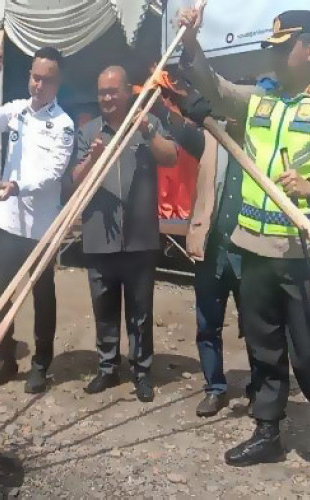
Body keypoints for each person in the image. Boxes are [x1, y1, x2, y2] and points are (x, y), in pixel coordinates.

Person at [179, 7, 310, 466]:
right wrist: (191, 46)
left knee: (307, 356)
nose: (274, 57)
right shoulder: (259, 100)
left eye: (284, 48)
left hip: (301, 255)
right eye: (271, 48)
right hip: (253, 249)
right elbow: (215, 89)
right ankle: (268, 432)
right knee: (264, 348)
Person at [69, 66, 178, 403]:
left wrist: (147, 131)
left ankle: (142, 372)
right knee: (103, 305)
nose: (107, 98)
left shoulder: (146, 124)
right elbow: (75, 179)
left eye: (113, 91)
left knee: (140, 309)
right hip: (99, 234)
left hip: (139, 236)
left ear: (128, 92)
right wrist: (93, 159)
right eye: (102, 91)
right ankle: (107, 367)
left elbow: (171, 157)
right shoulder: (88, 131)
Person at [0, 46, 75, 393]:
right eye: (35, 77)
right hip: (8, 221)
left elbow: (54, 173)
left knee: (42, 296)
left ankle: (41, 364)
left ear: (58, 82)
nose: (39, 85)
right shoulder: (17, 110)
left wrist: (18, 186)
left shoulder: (63, 124)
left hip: (40, 227)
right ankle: (4, 358)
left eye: (47, 80)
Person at [185, 113, 257, 417]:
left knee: (257, 328)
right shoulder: (210, 137)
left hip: (251, 253)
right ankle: (215, 388)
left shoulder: (260, 142)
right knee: (207, 326)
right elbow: (180, 135)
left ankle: (261, 389)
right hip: (212, 250)